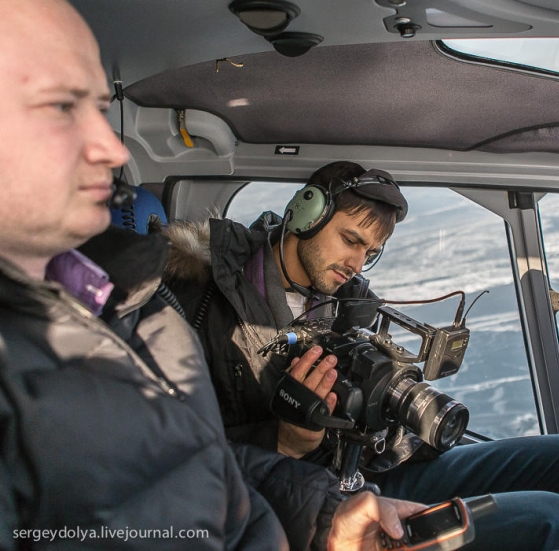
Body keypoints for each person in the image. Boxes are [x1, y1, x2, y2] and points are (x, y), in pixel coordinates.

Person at [0, 1, 427, 549]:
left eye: (102, 110)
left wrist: (327, 517)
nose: (110, 149)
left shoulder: (130, 302)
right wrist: (287, 444)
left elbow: (202, 471)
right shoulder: (184, 294)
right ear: (306, 214)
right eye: (61, 106)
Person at [163, 161, 559, 550]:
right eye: (350, 240)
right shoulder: (205, 300)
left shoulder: (351, 306)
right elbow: (170, 452)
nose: (356, 262)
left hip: (372, 466)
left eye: (369, 253)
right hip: (302, 498)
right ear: (306, 214)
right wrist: (284, 441)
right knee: (554, 521)